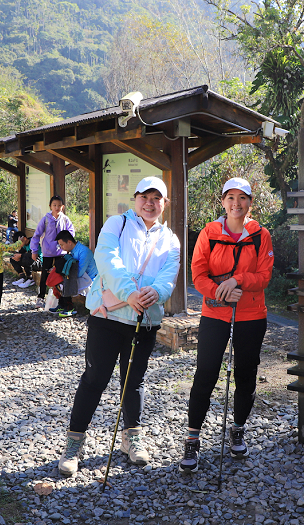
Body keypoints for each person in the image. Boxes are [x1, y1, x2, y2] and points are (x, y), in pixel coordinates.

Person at [57, 176, 180, 477]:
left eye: (157, 198)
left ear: (165, 204)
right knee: (95, 378)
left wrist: (158, 293)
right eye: (145, 197)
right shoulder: (117, 224)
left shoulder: (171, 239)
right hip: (108, 317)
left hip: (145, 321)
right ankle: (74, 443)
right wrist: (131, 292)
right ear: (135, 199)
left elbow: (169, 275)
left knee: (133, 381)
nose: (150, 203)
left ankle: (131, 438)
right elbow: (107, 259)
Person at [179, 177, 274, 474]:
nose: (236, 203)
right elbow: (198, 274)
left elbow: (264, 276)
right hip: (215, 314)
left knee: (246, 374)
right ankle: (192, 439)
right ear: (222, 201)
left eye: (242, 197)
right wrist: (219, 291)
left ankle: (237, 429)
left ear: (250, 202)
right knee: (206, 372)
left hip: (252, 314)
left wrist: (238, 281)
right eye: (230, 197)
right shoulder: (209, 232)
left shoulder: (261, 235)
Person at [31, 195, 75, 309]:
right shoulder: (45, 219)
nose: (57, 207)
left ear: (63, 207)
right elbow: (36, 235)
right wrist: (34, 250)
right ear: (50, 206)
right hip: (48, 253)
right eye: (54, 205)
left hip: (62, 253)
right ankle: (40, 298)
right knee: (45, 275)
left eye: (59, 205)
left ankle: (61, 300)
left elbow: (71, 232)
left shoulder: (65, 219)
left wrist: (67, 245)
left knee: (60, 276)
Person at [53, 230, 98, 317]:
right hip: (81, 277)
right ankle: (62, 305)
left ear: (69, 242)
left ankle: (69, 307)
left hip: (90, 279)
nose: (61, 247)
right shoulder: (73, 250)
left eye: (62, 245)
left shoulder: (84, 252)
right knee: (58, 279)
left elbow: (79, 273)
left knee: (64, 282)